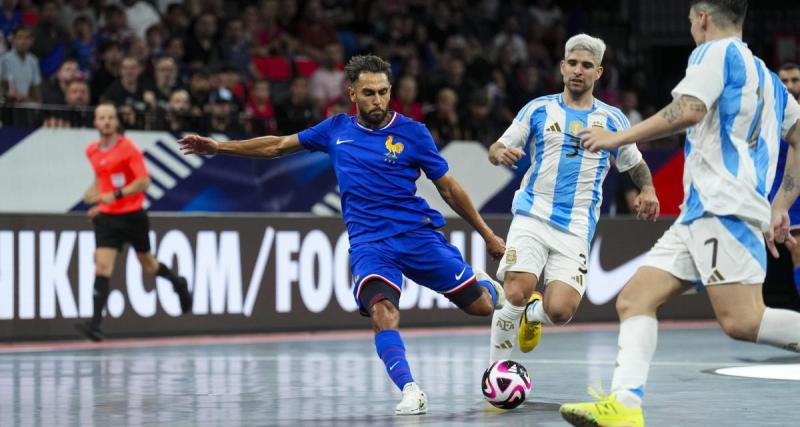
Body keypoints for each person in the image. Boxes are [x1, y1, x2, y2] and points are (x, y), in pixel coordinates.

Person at [177, 54, 506, 416]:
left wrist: (487, 235)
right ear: (352, 93)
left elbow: (449, 189)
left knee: (482, 307)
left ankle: (486, 284)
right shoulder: (335, 130)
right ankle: (410, 389)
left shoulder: (413, 133)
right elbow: (276, 146)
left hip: (417, 235)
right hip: (370, 244)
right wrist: (220, 147)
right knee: (382, 310)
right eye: (368, 93)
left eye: (383, 92)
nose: (377, 100)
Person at [560, 1, 800, 426]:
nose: (691, 27)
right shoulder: (767, 77)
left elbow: (687, 110)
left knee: (744, 320)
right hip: (699, 212)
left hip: (724, 206)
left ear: (703, 17)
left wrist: (617, 137)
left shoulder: (714, 53)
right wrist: (781, 201)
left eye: (691, 19)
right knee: (635, 298)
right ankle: (625, 407)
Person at [486, 34, 659, 363]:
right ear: (563, 67)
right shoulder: (538, 108)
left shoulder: (612, 120)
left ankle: (534, 314)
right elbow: (496, 148)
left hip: (577, 224)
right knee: (516, 292)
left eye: (587, 66)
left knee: (561, 310)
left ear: (599, 73)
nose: (579, 71)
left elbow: (634, 164)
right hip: (532, 214)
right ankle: (497, 373)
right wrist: (500, 154)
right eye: (574, 64)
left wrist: (648, 188)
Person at [76, 104, 193, 342]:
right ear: (96, 123)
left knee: (148, 266)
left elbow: (143, 182)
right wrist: (95, 198)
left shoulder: (128, 149)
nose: (106, 122)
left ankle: (178, 283)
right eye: (102, 118)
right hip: (108, 218)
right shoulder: (92, 151)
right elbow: (101, 180)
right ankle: (95, 325)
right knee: (102, 267)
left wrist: (115, 195)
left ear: (116, 122)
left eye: (110, 117)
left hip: (132, 215)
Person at [765, 62, 800, 305]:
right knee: (797, 250)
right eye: (784, 81)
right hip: (783, 191)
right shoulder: (772, 112)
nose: (789, 86)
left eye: (795, 80)